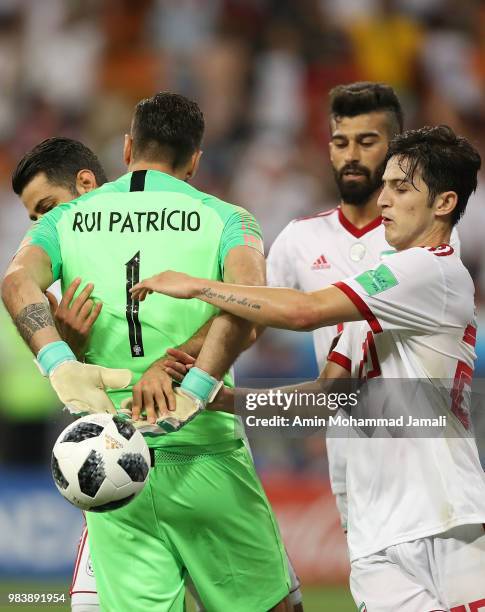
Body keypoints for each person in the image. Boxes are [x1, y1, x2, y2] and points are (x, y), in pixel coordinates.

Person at [131, 125, 485, 610]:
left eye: (401, 189)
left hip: (445, 521)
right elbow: (323, 400)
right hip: (373, 535)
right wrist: (220, 401)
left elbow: (302, 311)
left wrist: (198, 286)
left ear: (444, 204)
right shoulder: (375, 299)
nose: (383, 200)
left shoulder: (434, 270)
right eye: (385, 185)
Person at [3, 94, 292, 612]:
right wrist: (193, 383)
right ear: (196, 159)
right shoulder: (228, 218)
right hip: (207, 453)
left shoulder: (66, 220)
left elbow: (17, 281)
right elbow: (250, 305)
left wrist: (59, 363)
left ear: (128, 147)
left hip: (115, 463)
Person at [268, 81, 460, 532]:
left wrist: (198, 287)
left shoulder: (430, 236)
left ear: (396, 151)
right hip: (349, 448)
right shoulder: (299, 239)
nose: (351, 154)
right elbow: (252, 323)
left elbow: (305, 312)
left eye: (367, 141)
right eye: (340, 142)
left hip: (425, 448)